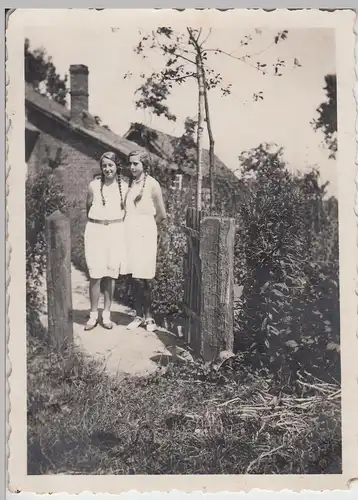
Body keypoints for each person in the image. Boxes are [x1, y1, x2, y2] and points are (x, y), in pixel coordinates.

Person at [121, 150, 166, 332]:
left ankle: (149, 317)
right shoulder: (130, 184)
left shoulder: (153, 185)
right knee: (133, 276)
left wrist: (145, 230)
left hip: (145, 234)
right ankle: (138, 315)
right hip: (129, 233)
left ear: (144, 165)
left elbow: (162, 215)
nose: (132, 167)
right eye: (130, 163)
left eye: (136, 164)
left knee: (146, 277)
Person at [84, 151, 128, 331]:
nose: (107, 168)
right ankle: (93, 314)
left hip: (116, 231)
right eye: (104, 166)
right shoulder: (93, 186)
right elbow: (87, 207)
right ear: (101, 168)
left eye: (110, 165)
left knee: (110, 274)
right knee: (95, 274)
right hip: (95, 230)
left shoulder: (125, 187)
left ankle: (106, 314)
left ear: (117, 166)